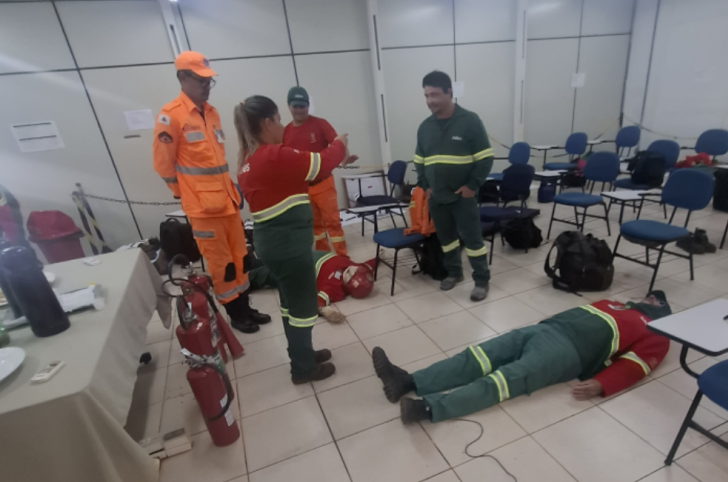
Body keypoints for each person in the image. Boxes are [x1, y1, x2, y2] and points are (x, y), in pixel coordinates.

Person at [372, 292, 672, 423]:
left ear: (661, 308)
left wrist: (602, 383)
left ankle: (427, 409)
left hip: (567, 353)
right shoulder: (618, 305)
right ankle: (407, 381)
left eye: (655, 299)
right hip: (544, 330)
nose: (649, 297)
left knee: (503, 381)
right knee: (478, 355)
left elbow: (637, 366)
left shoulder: (658, 332)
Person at [152, 51, 269, 334]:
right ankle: (237, 314)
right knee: (222, 264)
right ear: (182, 77)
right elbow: (162, 163)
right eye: (201, 80)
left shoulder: (212, 113)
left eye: (209, 81)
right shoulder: (171, 116)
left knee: (240, 257)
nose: (206, 85)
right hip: (203, 209)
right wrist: (184, 194)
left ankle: (245, 306)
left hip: (227, 203)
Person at [234, 95, 348, 384]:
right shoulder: (273, 154)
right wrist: (340, 144)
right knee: (302, 308)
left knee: (289, 304)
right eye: (279, 119)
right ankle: (303, 368)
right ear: (267, 122)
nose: (283, 124)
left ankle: (303, 353)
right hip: (288, 247)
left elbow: (298, 178)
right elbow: (321, 162)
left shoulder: (248, 159)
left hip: (274, 245)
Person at [414, 71, 495, 302]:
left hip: (463, 196)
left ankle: (481, 280)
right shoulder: (424, 127)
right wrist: (424, 185)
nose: (430, 101)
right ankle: (454, 273)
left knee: (472, 240)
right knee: (446, 238)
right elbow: (419, 161)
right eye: (427, 95)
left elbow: (485, 158)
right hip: (436, 196)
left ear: (449, 92)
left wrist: (473, 185)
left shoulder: (469, 121)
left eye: (435, 95)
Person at [283, 86, 358, 257]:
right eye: (296, 106)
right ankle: (323, 258)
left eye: (303, 106)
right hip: (302, 188)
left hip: (324, 184)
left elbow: (339, 143)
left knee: (333, 222)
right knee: (315, 225)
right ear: (289, 106)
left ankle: (342, 258)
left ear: (308, 105)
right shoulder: (285, 132)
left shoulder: (320, 124)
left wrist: (345, 158)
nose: (300, 110)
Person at [247, 251, 376, 324]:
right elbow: (369, 264)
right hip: (302, 256)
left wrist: (326, 311)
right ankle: (247, 263)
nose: (352, 268)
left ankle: (244, 280)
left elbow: (319, 301)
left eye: (350, 273)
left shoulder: (333, 287)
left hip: (297, 271)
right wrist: (379, 257)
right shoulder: (357, 267)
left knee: (266, 273)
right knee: (271, 259)